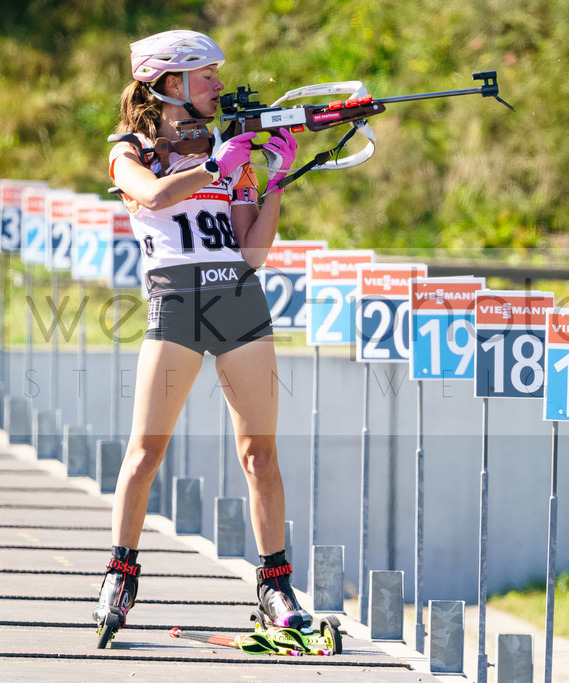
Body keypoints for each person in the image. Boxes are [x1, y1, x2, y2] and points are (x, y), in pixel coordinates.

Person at [92, 29, 307, 644]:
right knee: (145, 453)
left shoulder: (225, 144)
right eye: (206, 74)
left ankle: (274, 584)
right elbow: (155, 196)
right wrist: (215, 165)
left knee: (260, 456)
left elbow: (253, 251)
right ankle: (120, 573)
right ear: (170, 84)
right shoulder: (129, 149)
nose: (218, 83)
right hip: (177, 305)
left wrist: (276, 177)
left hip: (238, 299)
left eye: (217, 73)